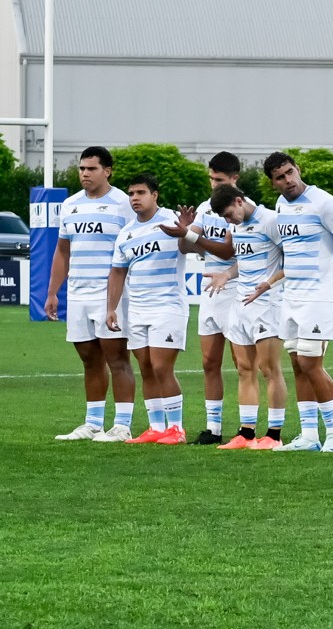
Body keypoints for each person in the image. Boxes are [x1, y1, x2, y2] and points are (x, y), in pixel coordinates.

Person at [46, 146, 138, 443]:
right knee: (88, 357)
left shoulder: (124, 203)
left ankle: (122, 425)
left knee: (117, 357)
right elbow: (63, 251)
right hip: (77, 293)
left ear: (107, 171)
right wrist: (52, 292)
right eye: (82, 169)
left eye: (91, 169)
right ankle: (93, 423)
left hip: (110, 293)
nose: (85, 174)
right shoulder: (70, 204)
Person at [264, 151, 333, 452]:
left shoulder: (324, 202)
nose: (287, 180)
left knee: (312, 364)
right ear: (273, 183)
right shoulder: (280, 206)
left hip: (320, 295)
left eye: (290, 172)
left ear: (298, 169)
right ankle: (309, 435)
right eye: (280, 177)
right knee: (298, 365)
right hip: (292, 295)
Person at [103, 175, 196, 443]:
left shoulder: (172, 220)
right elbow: (118, 272)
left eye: (141, 192)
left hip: (167, 307)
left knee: (161, 367)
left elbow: (188, 247)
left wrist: (186, 231)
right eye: (131, 193)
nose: (134, 198)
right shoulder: (127, 232)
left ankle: (176, 429)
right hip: (138, 309)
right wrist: (112, 308)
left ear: (155, 195)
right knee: (145, 368)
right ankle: (156, 428)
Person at [199, 184, 289, 448]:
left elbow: (292, 259)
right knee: (244, 369)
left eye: (229, 214)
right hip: (241, 303)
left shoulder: (271, 220)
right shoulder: (236, 226)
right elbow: (245, 260)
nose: (229, 222)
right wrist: (227, 274)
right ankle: (246, 434)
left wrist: (270, 283)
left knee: (269, 369)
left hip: (267, 303)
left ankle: (274, 435)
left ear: (240, 201)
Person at [189, 152, 244, 445]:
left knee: (242, 363)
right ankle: (214, 428)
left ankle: (246, 427)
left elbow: (227, 251)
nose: (214, 185)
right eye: (211, 179)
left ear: (234, 179)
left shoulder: (241, 208)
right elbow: (185, 247)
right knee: (209, 362)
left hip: (235, 290)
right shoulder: (204, 208)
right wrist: (183, 231)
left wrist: (189, 235)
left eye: (219, 180)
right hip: (209, 289)